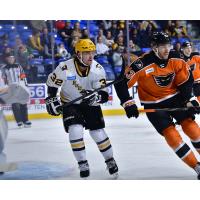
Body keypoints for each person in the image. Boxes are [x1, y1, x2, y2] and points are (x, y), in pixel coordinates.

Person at [114, 31, 200, 180]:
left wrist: (189, 99)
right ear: (154, 48)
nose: (167, 49)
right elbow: (121, 83)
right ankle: (197, 167)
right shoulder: (141, 64)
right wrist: (128, 102)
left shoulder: (176, 58)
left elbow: (185, 81)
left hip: (175, 98)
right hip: (153, 103)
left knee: (191, 127)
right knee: (171, 135)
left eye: (168, 45)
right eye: (162, 46)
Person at [45, 38, 118, 178]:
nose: (91, 56)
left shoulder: (98, 69)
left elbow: (103, 94)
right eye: (86, 53)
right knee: (75, 130)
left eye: (92, 52)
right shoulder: (64, 68)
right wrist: (51, 98)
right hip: (70, 103)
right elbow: (52, 85)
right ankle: (82, 163)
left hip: (90, 104)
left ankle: (110, 160)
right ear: (78, 54)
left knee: (98, 133)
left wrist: (97, 97)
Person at [1, 53, 31, 128]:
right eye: (9, 58)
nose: (11, 59)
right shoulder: (4, 68)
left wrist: (25, 85)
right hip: (11, 89)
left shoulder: (18, 66)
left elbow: (23, 76)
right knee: (15, 106)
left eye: (12, 58)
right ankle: (19, 122)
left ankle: (26, 120)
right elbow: (3, 79)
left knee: (23, 104)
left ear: (14, 59)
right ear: (6, 59)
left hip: (20, 87)